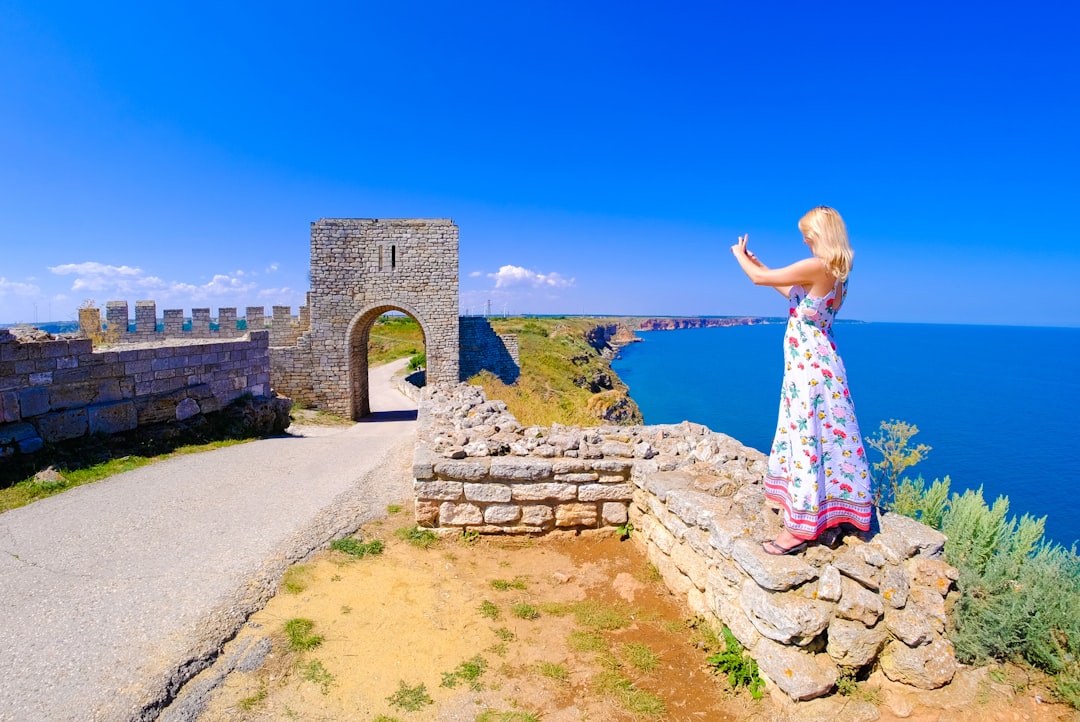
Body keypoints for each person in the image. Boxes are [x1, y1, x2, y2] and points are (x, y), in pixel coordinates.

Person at [730, 206, 872, 555]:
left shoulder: (820, 265)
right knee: (826, 440)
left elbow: (759, 281)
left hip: (810, 371)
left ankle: (800, 528)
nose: (805, 239)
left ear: (822, 232)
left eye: (808, 232)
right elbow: (790, 293)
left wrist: (739, 257)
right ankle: (833, 512)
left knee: (807, 440)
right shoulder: (836, 272)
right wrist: (759, 263)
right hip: (819, 366)